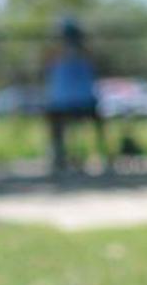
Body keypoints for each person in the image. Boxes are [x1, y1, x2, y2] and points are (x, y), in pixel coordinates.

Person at [43, 19, 106, 176]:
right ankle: (59, 156)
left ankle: (63, 157)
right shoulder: (60, 54)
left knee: (57, 118)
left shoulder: (82, 54)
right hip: (66, 104)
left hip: (80, 103)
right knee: (55, 120)